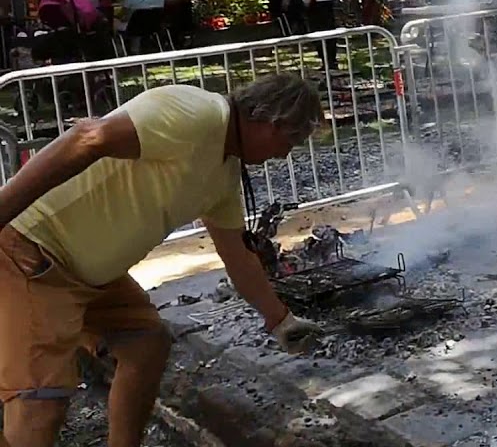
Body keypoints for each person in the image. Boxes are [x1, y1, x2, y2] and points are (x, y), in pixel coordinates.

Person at [0, 75, 326, 447]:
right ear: (273, 121)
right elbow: (86, 138)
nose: (285, 155)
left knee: (147, 344)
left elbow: (238, 255)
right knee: (40, 404)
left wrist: (280, 320)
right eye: (290, 142)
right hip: (34, 253)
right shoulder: (196, 114)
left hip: (90, 276)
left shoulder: (223, 173)